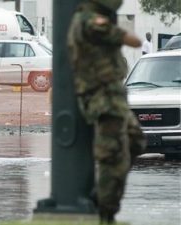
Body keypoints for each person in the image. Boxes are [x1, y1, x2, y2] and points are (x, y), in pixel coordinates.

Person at [67, 0, 147, 224]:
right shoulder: (89, 20)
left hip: (113, 96)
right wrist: (115, 28)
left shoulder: (90, 18)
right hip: (102, 98)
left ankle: (103, 195)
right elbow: (135, 40)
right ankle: (105, 210)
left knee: (136, 141)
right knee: (111, 156)